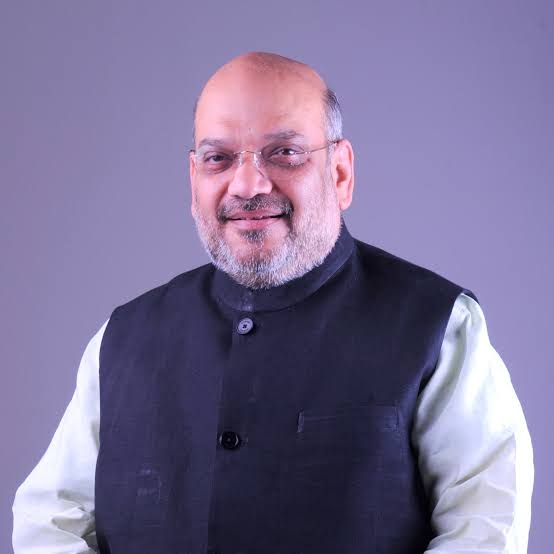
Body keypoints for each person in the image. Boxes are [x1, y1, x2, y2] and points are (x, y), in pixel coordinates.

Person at [12, 51, 534, 554]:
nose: (247, 184)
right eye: (218, 159)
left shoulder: (438, 327)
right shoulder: (122, 338)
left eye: (284, 153)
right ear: (194, 180)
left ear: (340, 173)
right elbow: (48, 522)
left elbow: (486, 532)